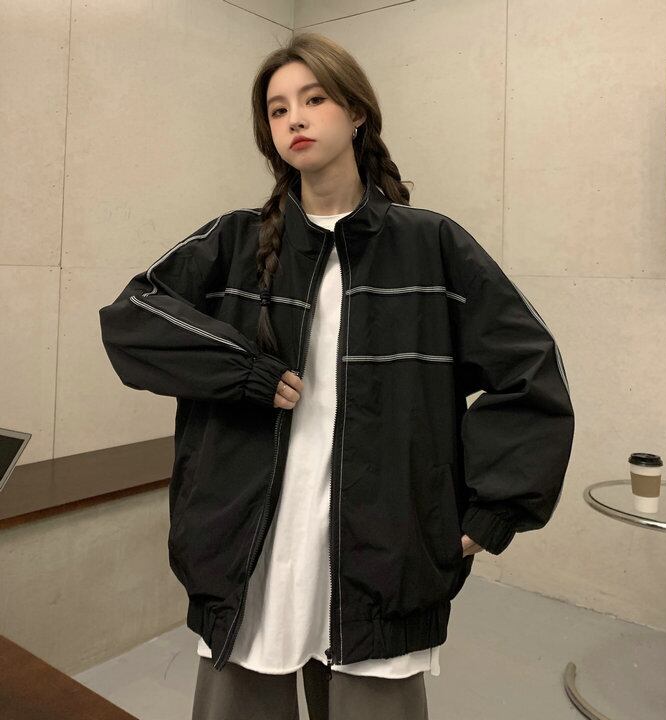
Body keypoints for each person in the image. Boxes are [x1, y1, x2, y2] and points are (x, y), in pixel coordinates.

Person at [98, 32, 575, 720]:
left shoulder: (431, 245)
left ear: (356, 113)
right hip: (252, 553)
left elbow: (529, 370)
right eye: (278, 108)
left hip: (384, 557)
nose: (295, 117)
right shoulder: (234, 241)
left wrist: (490, 512)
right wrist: (245, 371)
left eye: (314, 99)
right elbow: (131, 318)